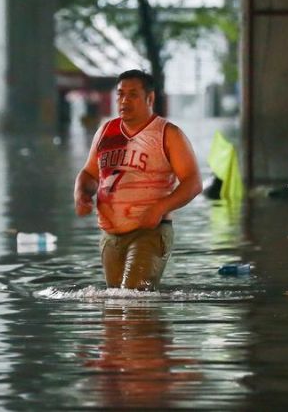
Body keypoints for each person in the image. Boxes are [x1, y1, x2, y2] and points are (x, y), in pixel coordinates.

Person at [74, 69, 203, 290]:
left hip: (150, 232)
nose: (124, 100)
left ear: (149, 98)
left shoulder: (168, 134)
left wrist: (160, 208)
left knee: (133, 298)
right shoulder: (106, 131)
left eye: (132, 94)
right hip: (110, 235)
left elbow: (193, 183)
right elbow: (89, 174)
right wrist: (81, 194)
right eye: (120, 94)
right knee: (116, 308)